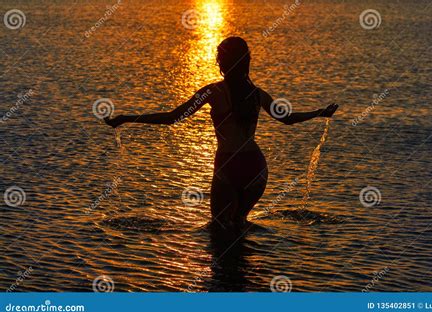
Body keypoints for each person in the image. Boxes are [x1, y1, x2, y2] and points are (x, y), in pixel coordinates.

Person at [104, 36, 338, 233]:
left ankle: (225, 282)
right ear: (247, 62)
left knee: (219, 230)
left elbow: (173, 117)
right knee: (240, 226)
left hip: (228, 164)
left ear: (222, 63)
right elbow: (288, 119)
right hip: (256, 167)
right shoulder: (258, 94)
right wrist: (319, 112)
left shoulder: (211, 92)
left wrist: (127, 118)